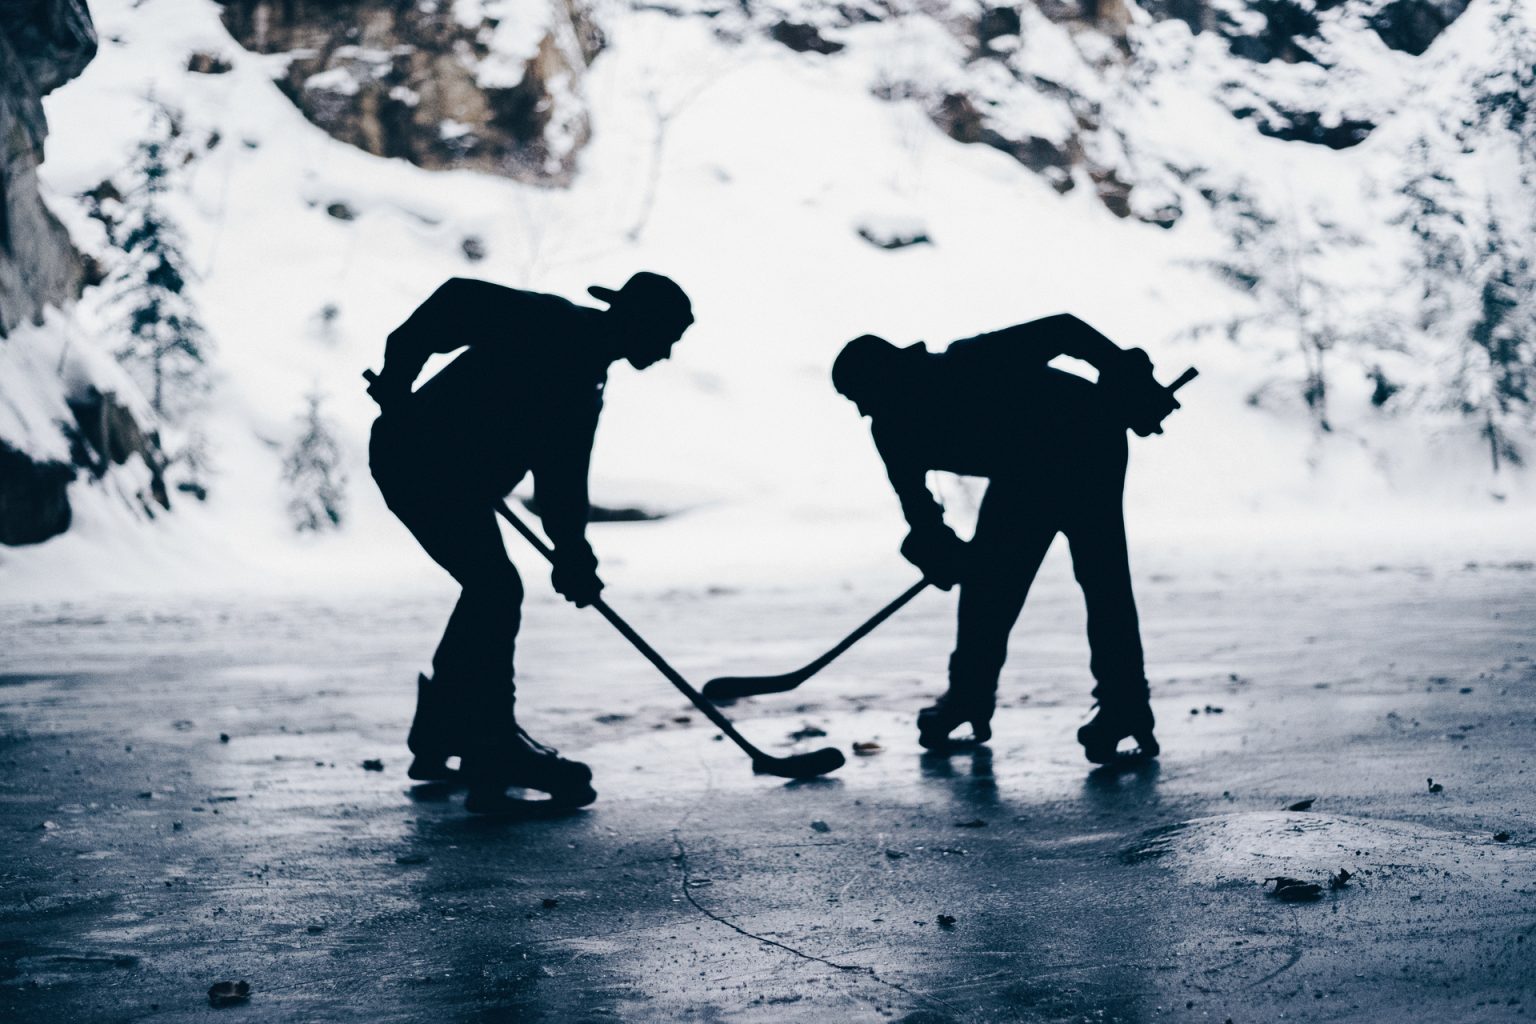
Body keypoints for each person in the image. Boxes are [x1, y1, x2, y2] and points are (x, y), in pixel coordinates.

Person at [367, 272, 694, 811]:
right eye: (667, 337)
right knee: (494, 588)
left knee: (488, 589)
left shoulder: (589, 378)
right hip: (416, 460)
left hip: (455, 480)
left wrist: (573, 556)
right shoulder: (550, 320)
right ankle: (490, 745)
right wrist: (399, 384)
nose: (666, 353)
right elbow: (452, 299)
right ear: (638, 323)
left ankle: (443, 735)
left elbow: (562, 478)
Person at [830, 314, 1180, 764]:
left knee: (1102, 579)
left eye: (865, 396)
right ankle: (968, 700)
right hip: (1022, 475)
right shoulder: (891, 429)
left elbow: (1064, 329)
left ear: (897, 375)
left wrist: (1122, 373)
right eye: (856, 402)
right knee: (988, 589)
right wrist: (938, 549)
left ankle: (1125, 707)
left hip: (1084, 441)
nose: (864, 410)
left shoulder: (968, 362)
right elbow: (918, 509)